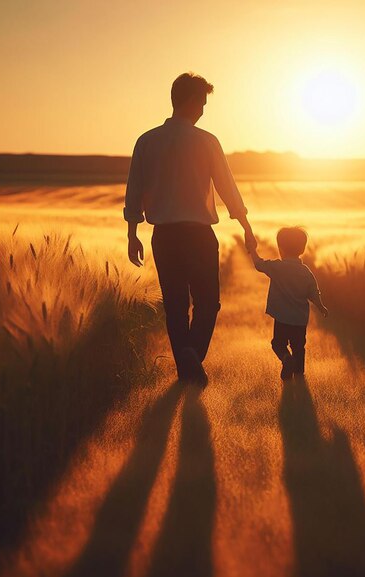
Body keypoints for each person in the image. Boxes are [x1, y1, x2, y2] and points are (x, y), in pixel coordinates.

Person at [123, 72, 256, 387]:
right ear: (193, 101)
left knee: (176, 306)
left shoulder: (146, 140)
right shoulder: (206, 141)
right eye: (203, 102)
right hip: (198, 236)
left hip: (164, 237)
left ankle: (187, 366)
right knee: (209, 303)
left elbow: (134, 190)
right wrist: (246, 226)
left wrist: (132, 234)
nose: (203, 110)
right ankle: (192, 356)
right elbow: (227, 188)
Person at [246, 227, 328, 380]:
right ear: (302, 249)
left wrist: (252, 250)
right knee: (298, 347)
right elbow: (313, 292)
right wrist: (321, 306)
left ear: (281, 249)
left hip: (282, 318)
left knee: (278, 344)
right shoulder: (306, 272)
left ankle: (285, 359)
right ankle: (299, 374)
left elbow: (258, 264)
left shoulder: (277, 267)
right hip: (299, 319)